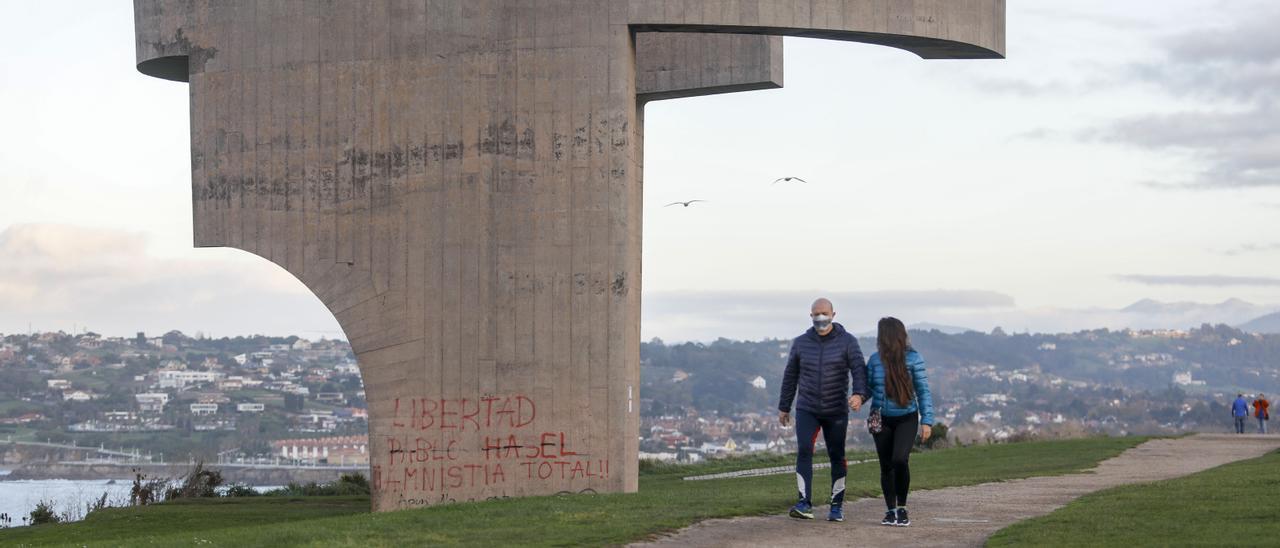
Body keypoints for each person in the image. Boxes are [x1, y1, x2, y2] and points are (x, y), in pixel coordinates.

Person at [778, 298, 869, 522]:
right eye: (816, 314)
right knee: (804, 450)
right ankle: (804, 503)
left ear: (833, 314)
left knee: (836, 455)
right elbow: (790, 376)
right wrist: (784, 406)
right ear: (810, 316)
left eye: (824, 313)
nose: (820, 318)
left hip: (836, 409)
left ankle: (836, 505)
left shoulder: (848, 342)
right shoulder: (800, 343)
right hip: (807, 407)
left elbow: (859, 371)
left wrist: (859, 395)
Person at [860, 317, 934, 527]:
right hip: (880, 417)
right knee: (886, 466)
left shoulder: (913, 359)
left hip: (906, 417)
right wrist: (858, 397)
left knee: (900, 459)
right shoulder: (875, 360)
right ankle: (890, 510)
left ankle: (902, 507)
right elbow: (868, 389)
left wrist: (927, 421)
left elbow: (923, 391)